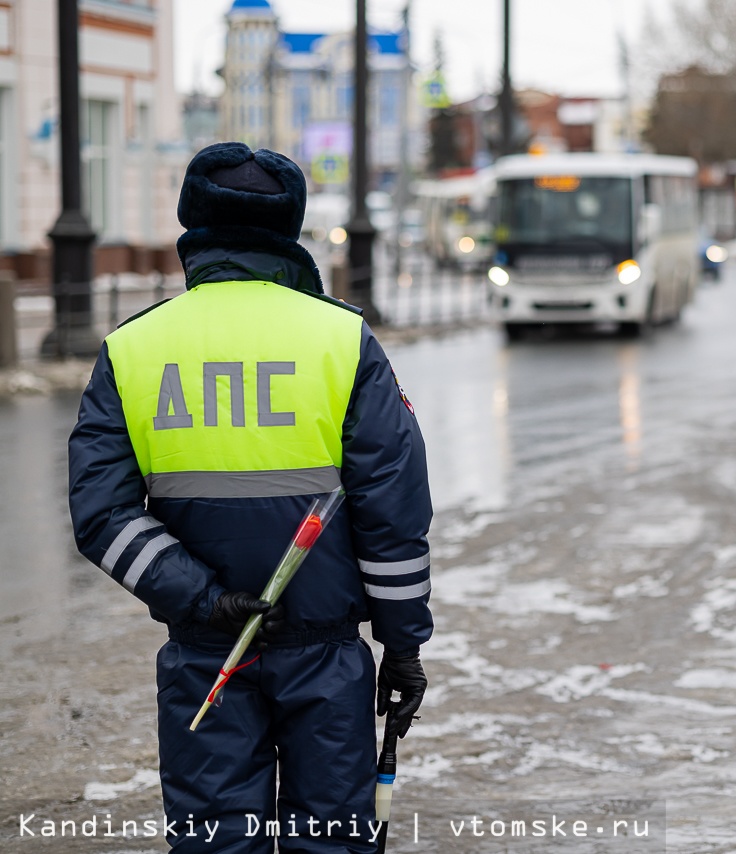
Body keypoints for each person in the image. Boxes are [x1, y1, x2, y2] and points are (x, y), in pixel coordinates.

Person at [68, 142, 433, 853]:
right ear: (289, 227)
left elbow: (102, 516)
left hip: (206, 656)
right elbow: (394, 514)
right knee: (331, 839)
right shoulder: (342, 340)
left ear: (191, 224)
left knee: (214, 842)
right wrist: (403, 643)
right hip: (327, 660)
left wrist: (204, 601)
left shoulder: (132, 348)